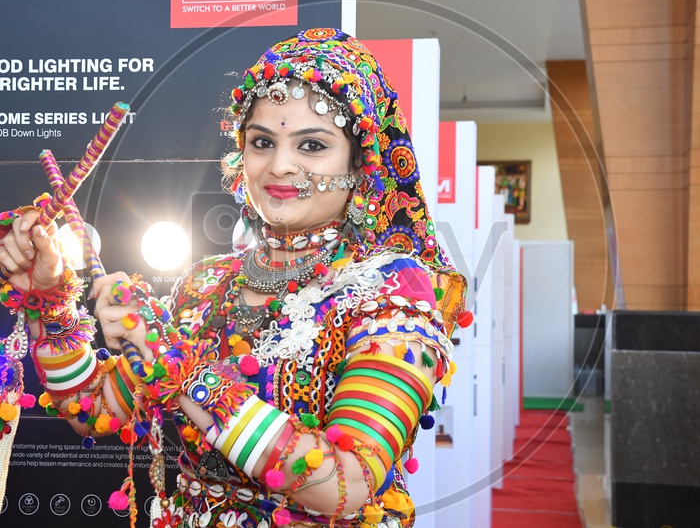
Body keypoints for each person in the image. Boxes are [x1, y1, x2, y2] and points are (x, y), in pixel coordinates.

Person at [0, 28, 469, 528]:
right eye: (262, 142)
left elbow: (344, 485)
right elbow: (92, 409)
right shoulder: (202, 287)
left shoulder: (396, 292)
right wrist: (49, 301)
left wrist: (179, 371)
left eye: (312, 145)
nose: (280, 165)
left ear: (360, 163)